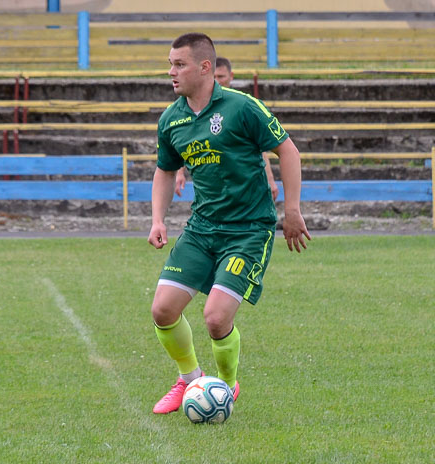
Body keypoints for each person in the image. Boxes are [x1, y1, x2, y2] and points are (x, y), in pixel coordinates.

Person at [148, 32, 310, 415]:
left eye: (179, 64)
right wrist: (157, 218)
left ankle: (225, 385)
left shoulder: (242, 108)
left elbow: (288, 150)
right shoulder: (172, 119)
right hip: (202, 229)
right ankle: (189, 379)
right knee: (163, 310)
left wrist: (291, 210)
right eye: (170, 64)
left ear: (205, 67)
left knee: (216, 318)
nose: (171, 72)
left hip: (248, 231)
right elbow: (164, 171)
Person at [175, 56, 279, 201]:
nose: (217, 80)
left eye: (221, 76)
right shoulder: (199, 107)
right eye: (214, 76)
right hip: (212, 187)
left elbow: (260, 149)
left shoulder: (243, 107)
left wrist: (270, 179)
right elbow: (188, 142)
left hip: (243, 184)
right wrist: (179, 172)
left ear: (231, 76)